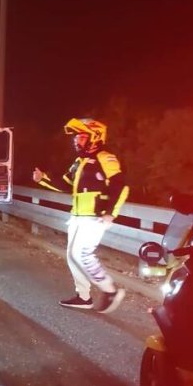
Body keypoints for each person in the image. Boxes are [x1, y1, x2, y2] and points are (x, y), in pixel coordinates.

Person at [33, 118, 130, 313]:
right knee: (72, 256)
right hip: (77, 217)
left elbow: (121, 186)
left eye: (82, 137)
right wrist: (43, 179)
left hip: (95, 217)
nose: (77, 141)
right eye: (77, 138)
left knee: (83, 254)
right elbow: (65, 185)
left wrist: (111, 213)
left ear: (96, 137)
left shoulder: (105, 158)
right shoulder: (79, 162)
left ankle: (110, 290)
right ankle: (84, 297)